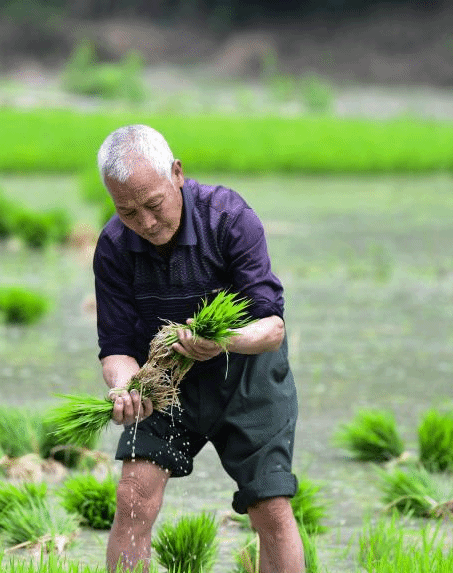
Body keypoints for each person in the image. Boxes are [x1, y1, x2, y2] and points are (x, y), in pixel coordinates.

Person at [93, 124, 304, 573]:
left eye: (153, 204)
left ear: (177, 173)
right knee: (133, 500)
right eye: (128, 212)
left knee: (269, 506)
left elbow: (272, 327)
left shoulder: (228, 218)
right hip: (165, 381)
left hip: (247, 379)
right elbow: (115, 348)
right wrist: (125, 388)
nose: (146, 223)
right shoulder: (113, 245)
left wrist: (222, 341)